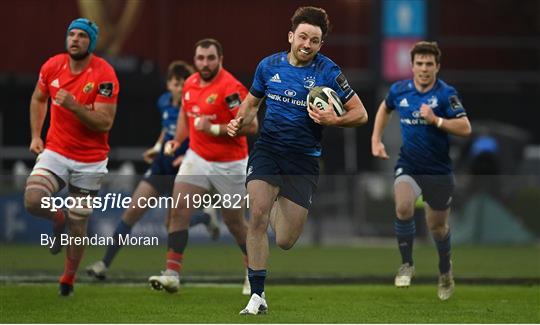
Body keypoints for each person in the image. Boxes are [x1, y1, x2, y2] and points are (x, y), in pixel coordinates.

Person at [227, 6, 368, 315]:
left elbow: (361, 113)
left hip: (303, 160)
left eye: (314, 40)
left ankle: (278, 199)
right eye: (303, 37)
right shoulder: (268, 66)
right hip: (268, 150)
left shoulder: (328, 71)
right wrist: (238, 122)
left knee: (286, 240)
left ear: (320, 44)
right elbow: (251, 105)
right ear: (291, 36)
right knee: (258, 215)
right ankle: (257, 295)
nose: (307, 44)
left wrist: (333, 119)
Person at [85, 61, 220, 280]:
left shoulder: (196, 107)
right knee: (131, 213)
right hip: (160, 167)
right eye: (176, 83)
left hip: (183, 171)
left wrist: (189, 155)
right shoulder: (163, 102)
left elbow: (202, 137)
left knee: (171, 225)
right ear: (168, 85)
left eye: (184, 83)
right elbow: (166, 129)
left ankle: (203, 219)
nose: (180, 87)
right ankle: (104, 264)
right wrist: (157, 147)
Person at [147, 38, 258, 295]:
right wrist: (177, 141)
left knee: (234, 222)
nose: (205, 63)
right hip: (196, 158)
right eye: (200, 58)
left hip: (230, 164)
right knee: (178, 210)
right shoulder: (190, 84)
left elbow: (252, 126)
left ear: (220, 59)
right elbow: (188, 116)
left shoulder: (231, 88)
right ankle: (172, 274)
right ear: (194, 59)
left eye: (210, 58)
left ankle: (252, 271)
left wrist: (214, 128)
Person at [23, 18, 119, 296]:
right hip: (56, 151)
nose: (75, 39)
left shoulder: (104, 74)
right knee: (32, 200)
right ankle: (56, 217)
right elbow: (38, 98)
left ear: (91, 42)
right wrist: (36, 135)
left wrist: (75, 106)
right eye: (71, 34)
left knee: (79, 222)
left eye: (81, 36)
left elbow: (104, 123)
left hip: (91, 159)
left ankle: (68, 278)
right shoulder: (52, 66)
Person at [371, 41, 472, 300]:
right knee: (403, 206)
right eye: (419, 63)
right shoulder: (400, 89)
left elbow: (465, 128)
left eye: (429, 64)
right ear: (412, 66)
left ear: (437, 67)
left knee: (437, 228)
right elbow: (385, 107)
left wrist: (436, 119)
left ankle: (445, 270)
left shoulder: (446, 94)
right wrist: (376, 140)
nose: (424, 68)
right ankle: (407, 264)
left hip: (438, 170)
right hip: (409, 164)